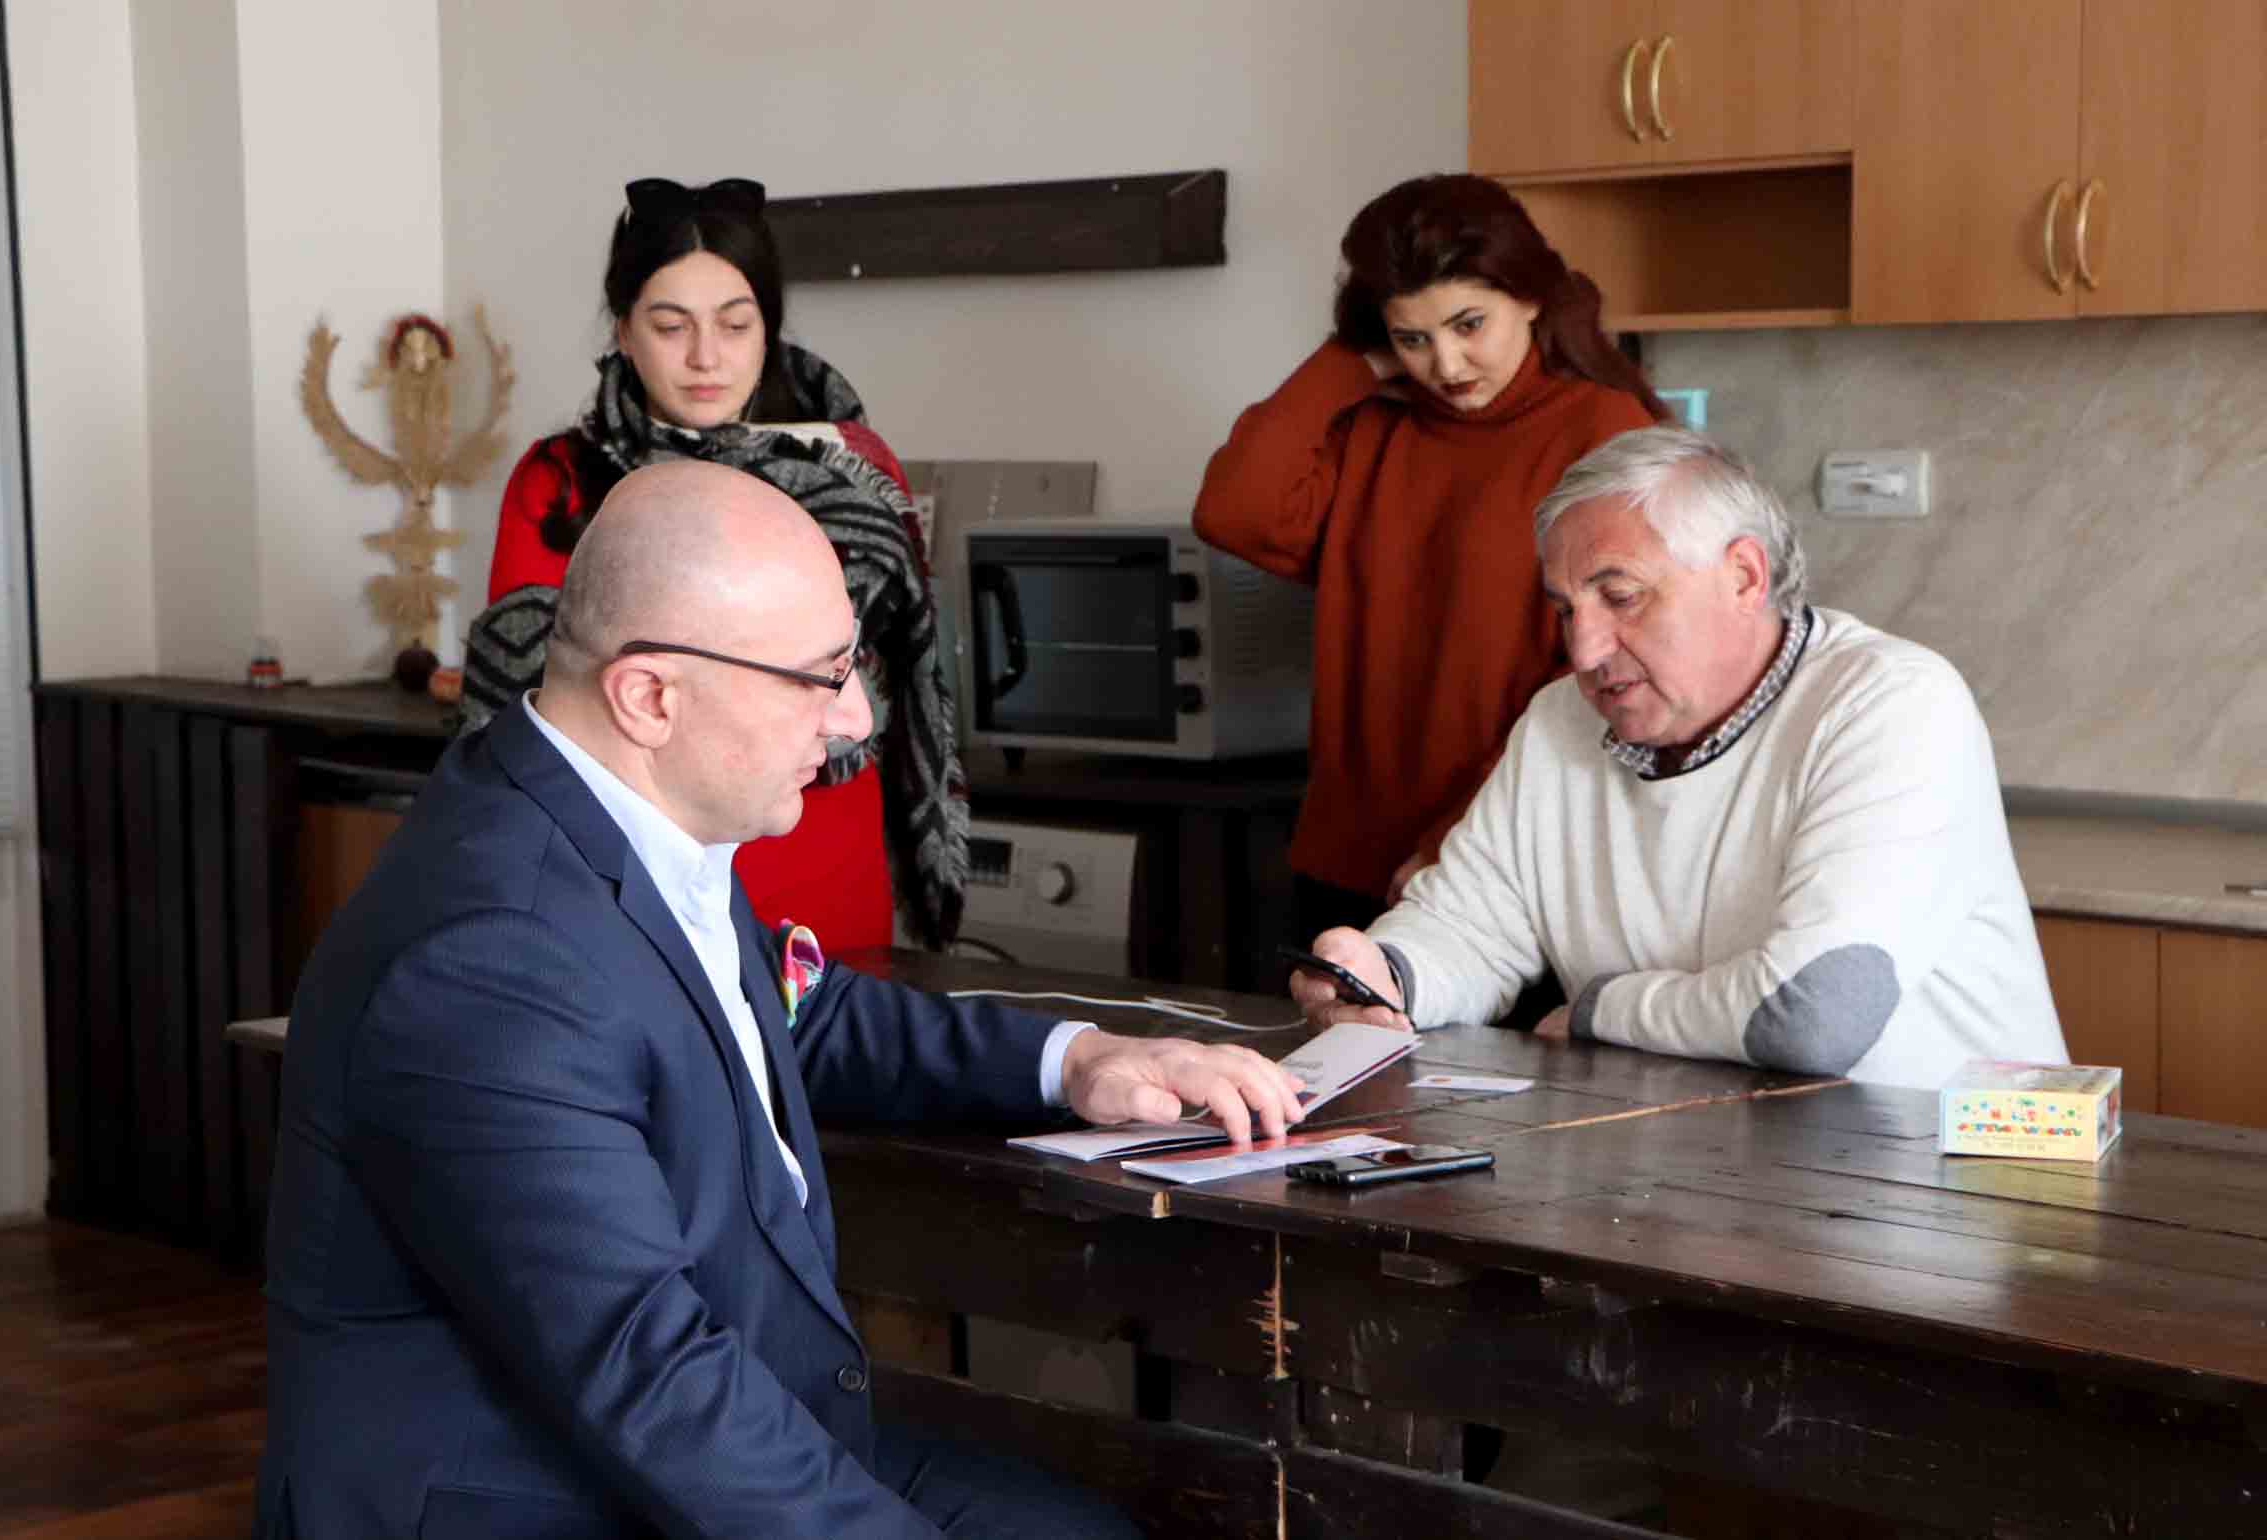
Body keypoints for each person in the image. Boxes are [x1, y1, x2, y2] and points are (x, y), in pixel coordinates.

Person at [255, 460, 1305, 1538]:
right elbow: (649, 1375)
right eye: (818, 676)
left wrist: (1078, 1060)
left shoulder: (600, 809)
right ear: (651, 696)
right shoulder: (494, 960)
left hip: (679, 1444)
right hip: (547, 1498)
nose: (854, 716)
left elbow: (792, 1012)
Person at [1293, 428, 2067, 1090]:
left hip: (1949, 1181)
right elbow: (1472, 927)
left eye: (1620, 596)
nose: (1583, 649)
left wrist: (1600, 1010)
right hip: (1707, 1165)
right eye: (1565, 609)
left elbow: (1813, 1014)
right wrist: (1384, 974)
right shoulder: (1560, 720)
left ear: (1744, 577)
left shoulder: (1891, 703)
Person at [470, 174, 960, 955]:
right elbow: (533, 699)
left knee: (837, 1022)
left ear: (768, 328)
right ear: (624, 332)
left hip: (826, 854)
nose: (706, 357)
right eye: (671, 326)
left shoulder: (857, 472)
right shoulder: (560, 479)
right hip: (633, 872)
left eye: (735, 324)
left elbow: (909, 680)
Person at [1195, 173, 1666, 942]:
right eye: (1412, 339)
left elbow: (1593, 678)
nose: (1446, 365)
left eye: (1469, 324)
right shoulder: (1376, 423)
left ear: (1531, 297)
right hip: (1349, 856)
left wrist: (1456, 840)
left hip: (1502, 862)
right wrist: (1346, 364)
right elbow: (1232, 513)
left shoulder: (1606, 432)